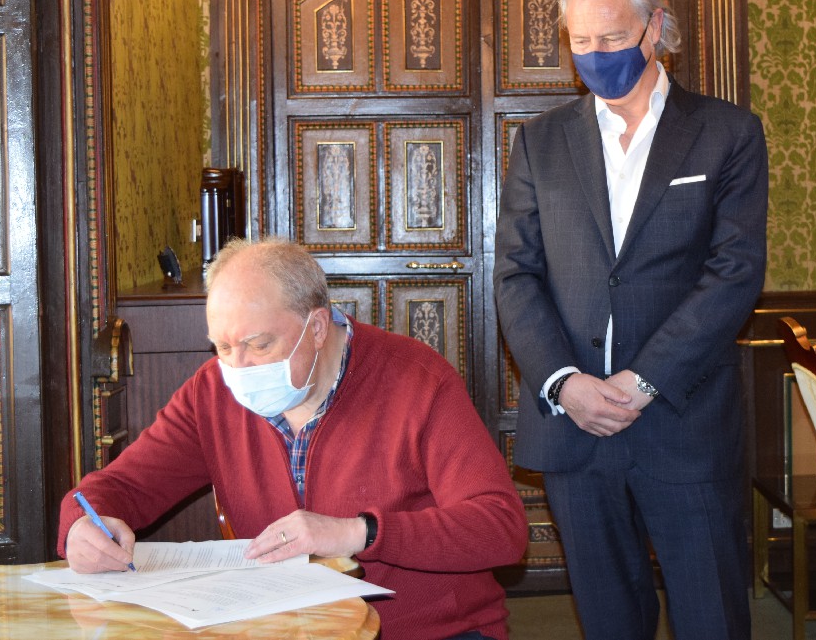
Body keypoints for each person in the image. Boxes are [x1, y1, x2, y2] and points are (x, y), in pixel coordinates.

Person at [493, 0, 768, 640]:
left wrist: (643, 380)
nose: (595, 55)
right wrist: (565, 384)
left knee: (712, 619)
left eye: (612, 37)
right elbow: (516, 275)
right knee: (610, 623)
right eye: (581, 41)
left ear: (655, 28)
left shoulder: (728, 133)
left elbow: (734, 273)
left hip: (684, 421)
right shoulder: (540, 142)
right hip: (576, 427)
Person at [59, 237, 528, 640]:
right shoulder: (212, 393)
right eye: (223, 347)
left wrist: (356, 532)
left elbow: (501, 528)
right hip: (285, 629)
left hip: (431, 630)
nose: (239, 367)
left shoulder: (418, 381)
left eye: (260, 344)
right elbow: (120, 488)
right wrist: (83, 526)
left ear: (317, 327)